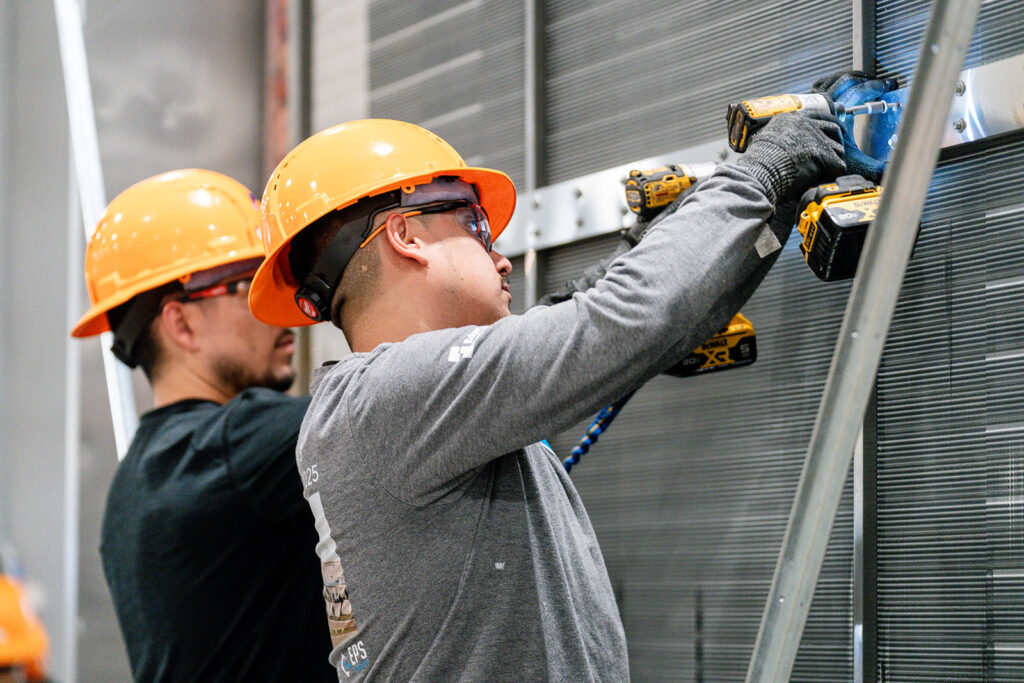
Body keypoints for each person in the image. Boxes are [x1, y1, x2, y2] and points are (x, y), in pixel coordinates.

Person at [246, 94, 852, 678]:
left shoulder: (391, 408)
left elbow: (588, 324)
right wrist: (769, 168)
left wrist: (669, 260)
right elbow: (623, 321)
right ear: (406, 235)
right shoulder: (382, 404)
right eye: (476, 225)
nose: (502, 258)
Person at [70, 169, 336, 681]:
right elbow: (399, 401)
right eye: (248, 286)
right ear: (180, 323)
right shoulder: (232, 447)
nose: (280, 307)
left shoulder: (141, 479)